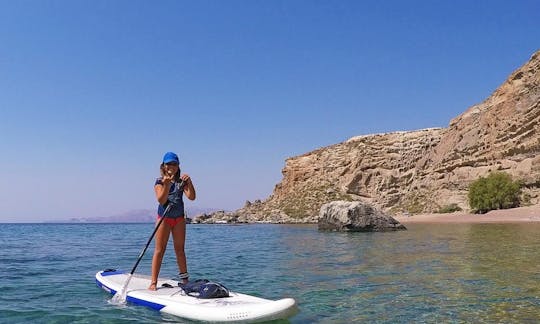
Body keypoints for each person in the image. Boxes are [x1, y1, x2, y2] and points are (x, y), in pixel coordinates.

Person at [148, 151, 196, 291]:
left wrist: (190, 182)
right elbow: (161, 200)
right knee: (159, 250)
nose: (171, 166)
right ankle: (153, 282)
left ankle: (185, 281)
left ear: (178, 165)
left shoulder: (182, 181)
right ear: (163, 165)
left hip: (179, 219)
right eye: (168, 164)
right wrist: (167, 185)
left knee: (180, 250)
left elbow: (191, 197)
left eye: (174, 164)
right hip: (164, 218)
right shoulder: (159, 182)